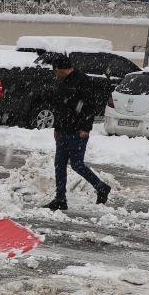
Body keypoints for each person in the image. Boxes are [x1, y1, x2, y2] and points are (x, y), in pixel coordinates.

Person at [44, 55, 110, 211]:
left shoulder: (82, 80)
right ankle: (60, 199)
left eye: (56, 70)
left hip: (77, 131)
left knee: (77, 164)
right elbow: (61, 107)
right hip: (64, 130)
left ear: (63, 68)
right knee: (59, 165)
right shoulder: (62, 81)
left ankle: (101, 187)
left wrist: (86, 128)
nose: (55, 73)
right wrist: (57, 128)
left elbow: (90, 106)